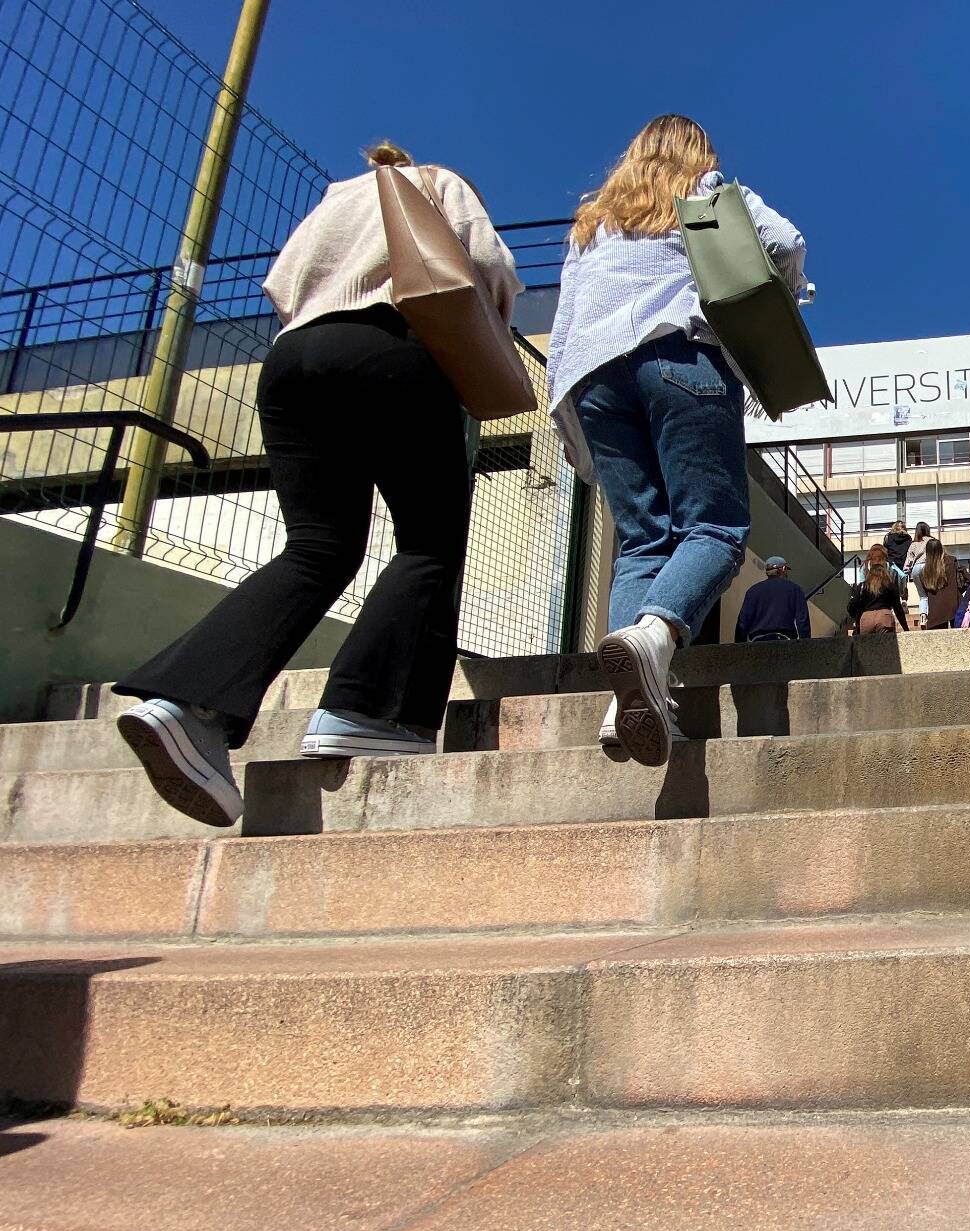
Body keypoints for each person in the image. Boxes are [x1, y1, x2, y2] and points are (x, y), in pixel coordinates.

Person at [111, 141, 522, 827]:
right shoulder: (438, 181)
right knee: (427, 543)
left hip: (293, 359)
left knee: (317, 547)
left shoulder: (336, 198)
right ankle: (365, 709)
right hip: (391, 347)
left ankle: (188, 706)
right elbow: (487, 266)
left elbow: (280, 282)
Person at [546, 114, 806, 767]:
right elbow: (784, 241)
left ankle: (626, 703)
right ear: (698, 154)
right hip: (679, 357)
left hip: (593, 379)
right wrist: (781, 303)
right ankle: (657, 637)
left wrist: (568, 424)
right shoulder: (709, 192)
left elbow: (565, 321)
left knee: (641, 542)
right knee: (715, 529)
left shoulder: (592, 225)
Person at [734, 555, 811, 642]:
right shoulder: (795, 589)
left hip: (757, 643)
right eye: (786, 569)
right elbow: (802, 620)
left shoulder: (753, 591)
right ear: (782, 569)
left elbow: (742, 622)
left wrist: (739, 647)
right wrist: (806, 644)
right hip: (784, 641)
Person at [848, 544, 908, 633]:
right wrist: (906, 629)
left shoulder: (863, 584)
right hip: (885, 616)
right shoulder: (890, 584)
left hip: (866, 618)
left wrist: (857, 621)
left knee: (867, 646)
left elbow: (855, 604)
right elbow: (898, 609)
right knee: (886, 646)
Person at [916, 538, 965, 630]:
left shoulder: (924, 571)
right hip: (954, 603)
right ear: (941, 548)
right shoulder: (951, 561)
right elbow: (961, 581)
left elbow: (925, 594)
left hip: (935, 611)